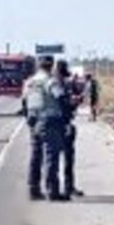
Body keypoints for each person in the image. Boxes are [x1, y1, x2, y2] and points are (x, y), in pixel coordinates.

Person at [23, 55, 69, 200]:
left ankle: (33, 189)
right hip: (50, 120)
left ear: (38, 65)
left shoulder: (30, 82)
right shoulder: (50, 81)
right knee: (51, 155)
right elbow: (60, 97)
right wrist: (66, 117)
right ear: (51, 65)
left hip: (34, 120)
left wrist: (29, 118)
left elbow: (24, 101)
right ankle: (52, 191)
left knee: (36, 155)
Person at [56, 60, 84, 197]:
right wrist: (75, 102)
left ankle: (65, 187)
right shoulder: (59, 86)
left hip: (57, 124)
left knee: (62, 158)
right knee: (65, 158)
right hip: (62, 124)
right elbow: (65, 105)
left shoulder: (56, 84)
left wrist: (75, 102)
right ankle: (65, 188)